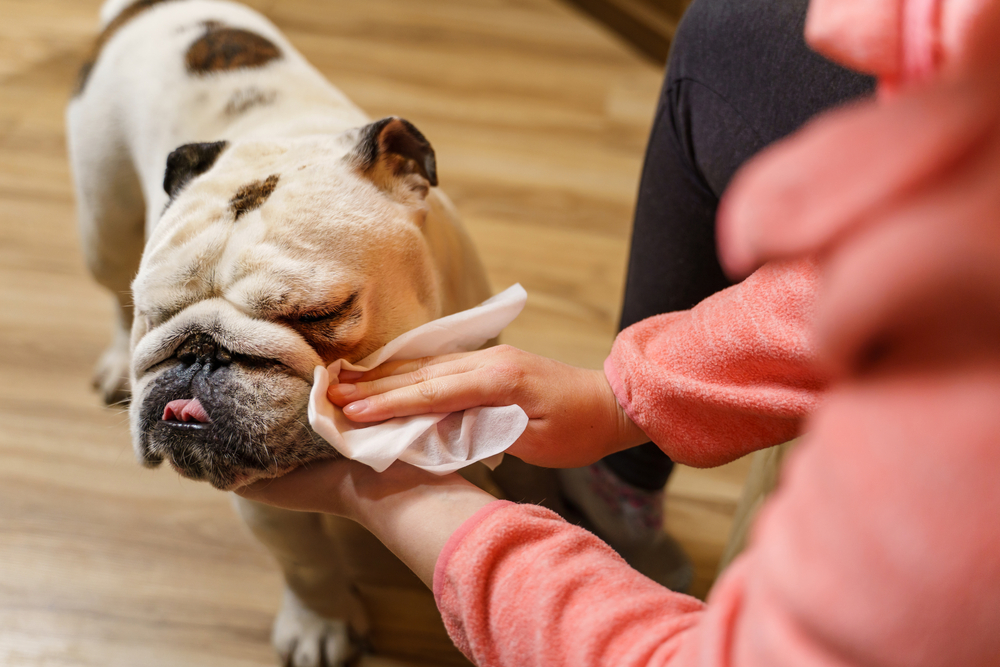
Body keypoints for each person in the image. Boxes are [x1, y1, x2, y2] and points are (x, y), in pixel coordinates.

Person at [238, 0, 1000, 664]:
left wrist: (396, 500)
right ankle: (622, 481)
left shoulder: (955, 484)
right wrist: (623, 398)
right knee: (727, 37)